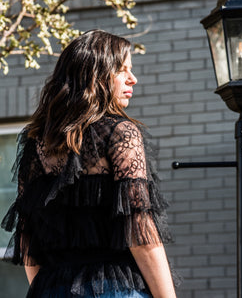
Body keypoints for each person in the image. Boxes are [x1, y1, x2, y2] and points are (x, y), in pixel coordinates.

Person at [1, 30, 180, 297]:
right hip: (111, 288)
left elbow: (29, 244)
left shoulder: (37, 144)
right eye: (123, 70)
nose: (134, 79)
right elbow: (140, 235)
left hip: (49, 289)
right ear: (96, 76)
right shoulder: (120, 133)